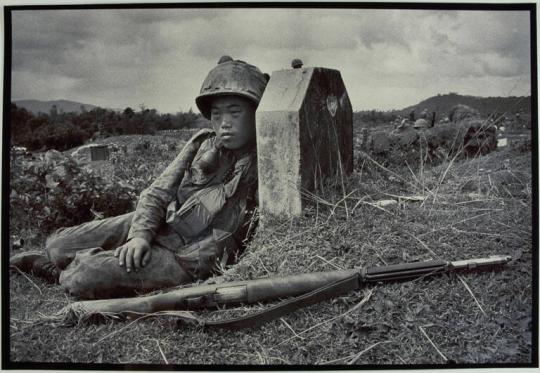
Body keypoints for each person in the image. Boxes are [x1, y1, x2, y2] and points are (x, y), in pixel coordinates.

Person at [10, 56, 269, 300]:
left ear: (256, 112)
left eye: (235, 113)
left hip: (188, 254)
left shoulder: (267, 159)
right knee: (58, 244)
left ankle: (62, 272)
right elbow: (157, 193)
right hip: (165, 220)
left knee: (85, 274)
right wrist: (140, 236)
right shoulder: (202, 144)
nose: (224, 123)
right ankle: (81, 259)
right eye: (216, 114)